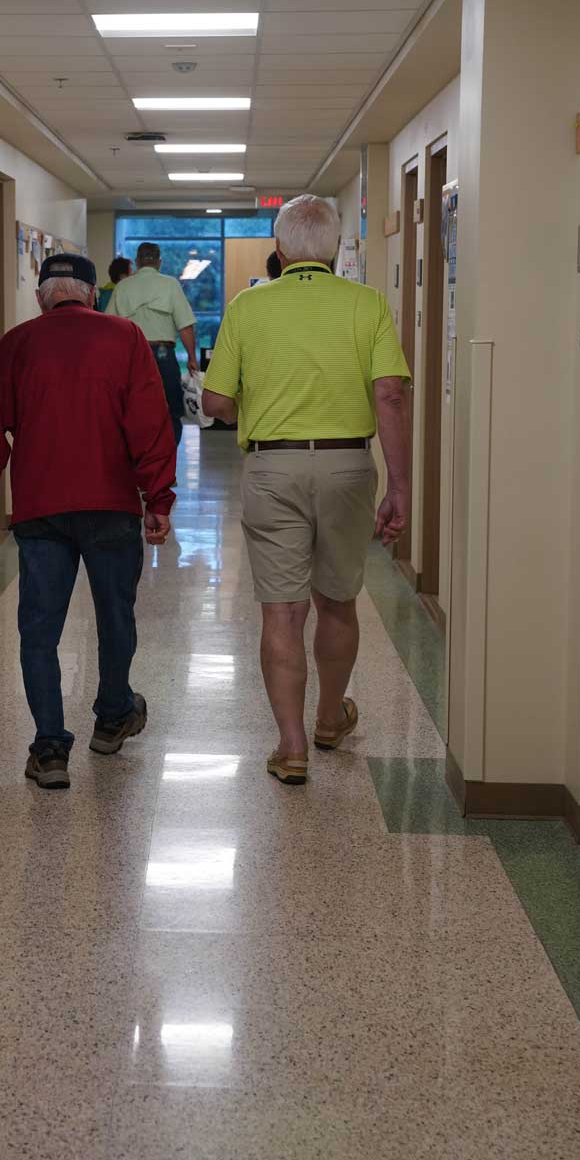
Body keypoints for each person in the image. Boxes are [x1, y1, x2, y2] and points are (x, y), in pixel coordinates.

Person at [202, 194, 411, 787]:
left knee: (284, 610)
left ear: (280, 248)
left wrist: (263, 401)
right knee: (337, 601)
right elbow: (390, 395)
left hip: (274, 467)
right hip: (348, 466)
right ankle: (327, 719)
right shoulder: (367, 304)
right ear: (338, 248)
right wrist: (399, 485)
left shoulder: (248, 306)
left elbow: (216, 402)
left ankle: (291, 747)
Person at [0, 253, 176, 790]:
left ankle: (51, 749)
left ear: (41, 297)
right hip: (111, 507)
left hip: (41, 510)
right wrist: (158, 498)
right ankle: (111, 715)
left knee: (40, 629)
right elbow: (150, 423)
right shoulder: (125, 338)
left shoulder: (17, 344)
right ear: (92, 294)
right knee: (115, 616)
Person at [107, 242, 197, 445]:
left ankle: (137, 462)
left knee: (133, 410)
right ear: (160, 262)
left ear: (137, 261)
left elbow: (109, 327)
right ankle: (166, 461)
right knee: (171, 411)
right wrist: (192, 358)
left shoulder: (123, 287)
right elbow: (185, 326)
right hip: (163, 354)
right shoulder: (170, 284)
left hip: (131, 356)